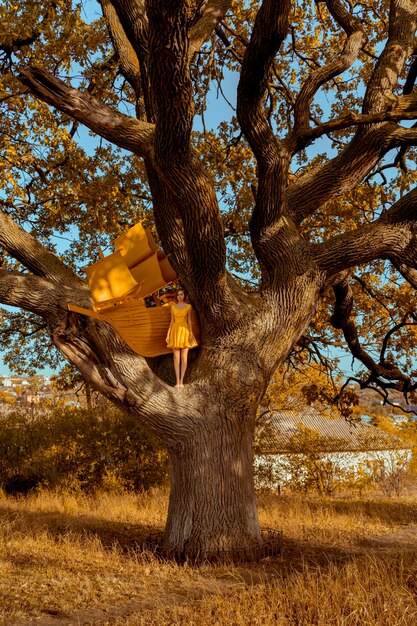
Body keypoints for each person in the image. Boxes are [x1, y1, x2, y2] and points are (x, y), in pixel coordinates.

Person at [166, 289, 197, 387]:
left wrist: (191, 333)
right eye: (178, 295)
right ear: (176, 296)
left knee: (184, 358)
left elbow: (189, 321)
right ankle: (177, 382)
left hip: (185, 331)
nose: (180, 296)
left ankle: (181, 381)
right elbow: (171, 321)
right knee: (176, 358)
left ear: (184, 296)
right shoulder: (173, 307)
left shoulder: (188, 307)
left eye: (181, 294)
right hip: (175, 331)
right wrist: (168, 335)